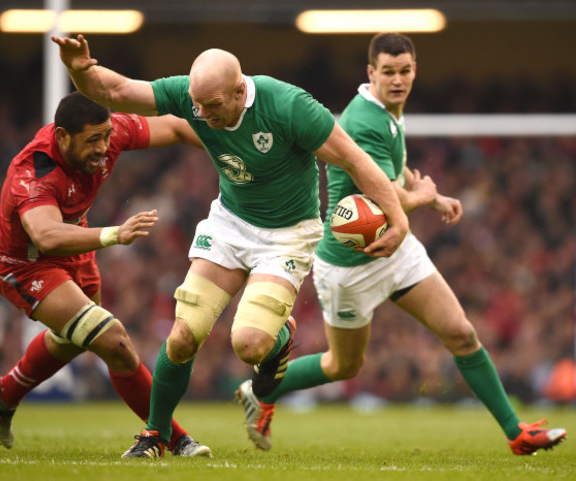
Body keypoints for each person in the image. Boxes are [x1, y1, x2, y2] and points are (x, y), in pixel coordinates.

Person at [52, 34, 410, 458]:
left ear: (240, 91)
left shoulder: (289, 106)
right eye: (197, 106)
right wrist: (77, 68)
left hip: (287, 235)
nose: (201, 115)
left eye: (212, 107)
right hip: (231, 224)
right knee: (184, 335)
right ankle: (154, 435)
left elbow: (354, 158)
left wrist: (399, 217)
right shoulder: (195, 96)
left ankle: (278, 338)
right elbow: (114, 90)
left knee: (250, 346)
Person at [234, 32, 567, 456]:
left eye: (405, 70)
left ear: (414, 70)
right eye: (388, 72)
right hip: (351, 263)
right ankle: (259, 390)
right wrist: (424, 198)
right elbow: (385, 199)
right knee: (343, 365)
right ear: (370, 73)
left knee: (461, 333)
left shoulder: (389, 111)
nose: (397, 79)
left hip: (397, 245)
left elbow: (398, 172)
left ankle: (516, 433)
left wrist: (433, 195)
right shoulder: (365, 121)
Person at [0, 91, 213, 457]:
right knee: (113, 340)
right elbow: (45, 235)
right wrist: (114, 234)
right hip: (24, 265)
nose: (104, 147)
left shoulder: (109, 131)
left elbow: (174, 127)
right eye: (93, 140)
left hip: (76, 246)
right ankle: (173, 437)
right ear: (62, 137)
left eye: (106, 137)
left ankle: (5, 394)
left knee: (74, 338)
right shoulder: (34, 172)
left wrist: (233, 149)